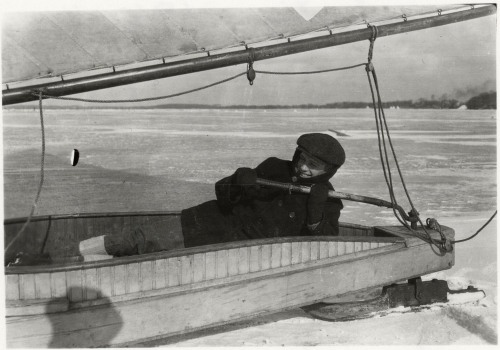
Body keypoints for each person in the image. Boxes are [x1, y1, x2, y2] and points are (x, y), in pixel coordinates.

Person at [79, 133, 346, 258]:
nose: (303, 167)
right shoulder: (275, 167)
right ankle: (74, 256)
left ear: (328, 171)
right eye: (303, 158)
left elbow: (324, 244)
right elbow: (224, 196)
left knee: (148, 264)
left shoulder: (328, 199)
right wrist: (237, 182)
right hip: (206, 224)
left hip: (240, 254)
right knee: (136, 239)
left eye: (314, 165)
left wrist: (315, 211)